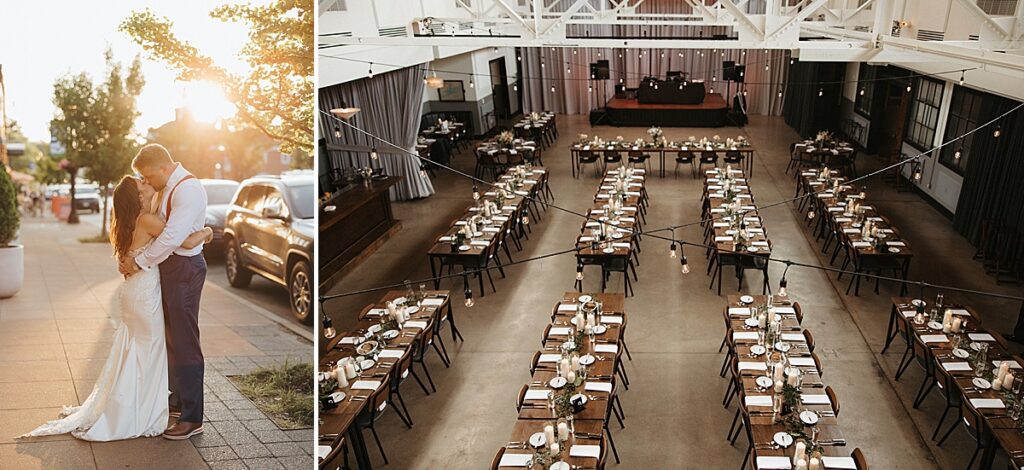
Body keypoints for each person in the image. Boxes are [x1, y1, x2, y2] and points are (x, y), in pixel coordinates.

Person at [19, 169, 211, 441]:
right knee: (150, 350)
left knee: (134, 347)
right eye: (140, 183)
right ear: (135, 196)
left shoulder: (123, 222)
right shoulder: (146, 220)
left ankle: (142, 401)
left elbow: (130, 256)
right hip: (144, 295)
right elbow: (185, 240)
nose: (146, 184)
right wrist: (205, 231)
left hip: (132, 293)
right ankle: (140, 407)